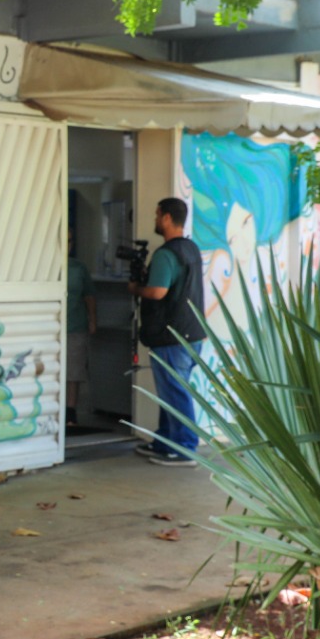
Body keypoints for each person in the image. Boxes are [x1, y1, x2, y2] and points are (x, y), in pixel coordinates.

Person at [127, 197, 206, 466]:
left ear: (167, 218)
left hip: (171, 336)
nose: (155, 219)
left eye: (157, 214)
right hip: (192, 334)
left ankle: (184, 448)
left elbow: (158, 292)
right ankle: (164, 441)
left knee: (175, 392)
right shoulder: (191, 249)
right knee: (170, 391)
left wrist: (136, 289)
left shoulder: (166, 254)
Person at [65, 229, 96, 428]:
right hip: (53, 326)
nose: (66, 245)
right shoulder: (46, 267)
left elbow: (89, 295)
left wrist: (92, 319)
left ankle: (70, 412)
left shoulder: (78, 268)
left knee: (74, 371)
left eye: (69, 241)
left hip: (75, 325)